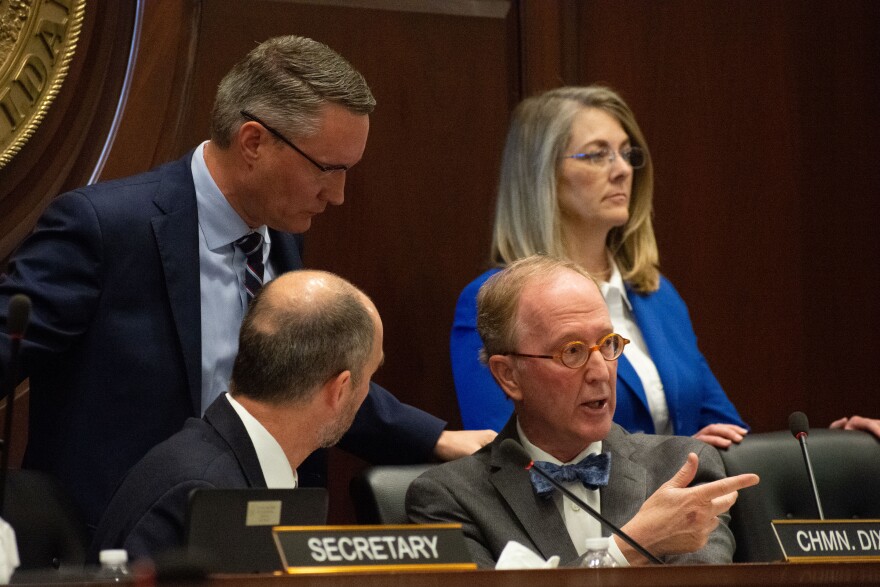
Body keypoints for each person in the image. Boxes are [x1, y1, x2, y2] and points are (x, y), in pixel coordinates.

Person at [0, 35, 493, 531]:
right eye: (328, 169)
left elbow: (304, 378)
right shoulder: (104, 230)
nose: (339, 195)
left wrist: (436, 440)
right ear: (254, 142)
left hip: (256, 533)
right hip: (116, 541)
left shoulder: (280, 235)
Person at [408, 255, 759, 568]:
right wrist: (627, 550)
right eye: (572, 351)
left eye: (608, 344)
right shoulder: (448, 500)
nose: (599, 371)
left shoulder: (683, 470)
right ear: (509, 375)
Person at [451, 85, 747, 447]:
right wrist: (673, 459)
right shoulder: (496, 299)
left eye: (626, 154)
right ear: (542, 175)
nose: (623, 170)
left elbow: (725, 428)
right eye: (597, 155)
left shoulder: (656, 294)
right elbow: (507, 453)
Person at [91, 270, 382, 558]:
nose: (368, 391)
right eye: (371, 375)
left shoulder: (228, 470)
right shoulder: (202, 497)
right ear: (341, 389)